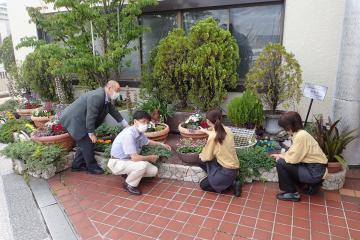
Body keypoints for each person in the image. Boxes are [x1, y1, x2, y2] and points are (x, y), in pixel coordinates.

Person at [60, 80, 129, 174]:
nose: (118, 93)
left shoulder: (105, 97)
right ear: (109, 88)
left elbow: (112, 110)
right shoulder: (98, 96)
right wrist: (91, 133)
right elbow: (91, 116)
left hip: (79, 120)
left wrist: (125, 123)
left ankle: (77, 165)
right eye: (117, 90)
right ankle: (92, 167)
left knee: (83, 143)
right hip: (74, 120)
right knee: (88, 142)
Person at [108, 111, 171, 195]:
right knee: (142, 165)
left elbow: (147, 142)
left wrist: (161, 144)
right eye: (143, 121)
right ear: (135, 121)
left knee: (153, 171)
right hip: (117, 162)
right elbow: (135, 158)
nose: (145, 124)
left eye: (147, 122)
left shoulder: (138, 132)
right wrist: (150, 157)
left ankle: (129, 174)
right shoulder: (129, 135)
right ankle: (129, 185)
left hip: (128, 161)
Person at [271, 111, 328, 202]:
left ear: (290, 126)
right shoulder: (301, 133)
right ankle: (308, 186)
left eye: (285, 127)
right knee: (284, 160)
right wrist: (281, 155)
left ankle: (292, 193)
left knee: (281, 163)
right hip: (316, 168)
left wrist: (281, 157)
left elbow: (293, 158)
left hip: (314, 172)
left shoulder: (300, 136)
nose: (285, 130)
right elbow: (294, 152)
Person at [198, 109, 240, 194]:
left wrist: (201, 154)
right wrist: (206, 131)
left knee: (203, 185)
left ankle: (231, 185)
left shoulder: (213, 136)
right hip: (233, 169)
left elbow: (207, 157)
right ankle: (222, 179)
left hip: (226, 172)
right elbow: (216, 133)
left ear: (208, 121)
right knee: (206, 161)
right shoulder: (227, 130)